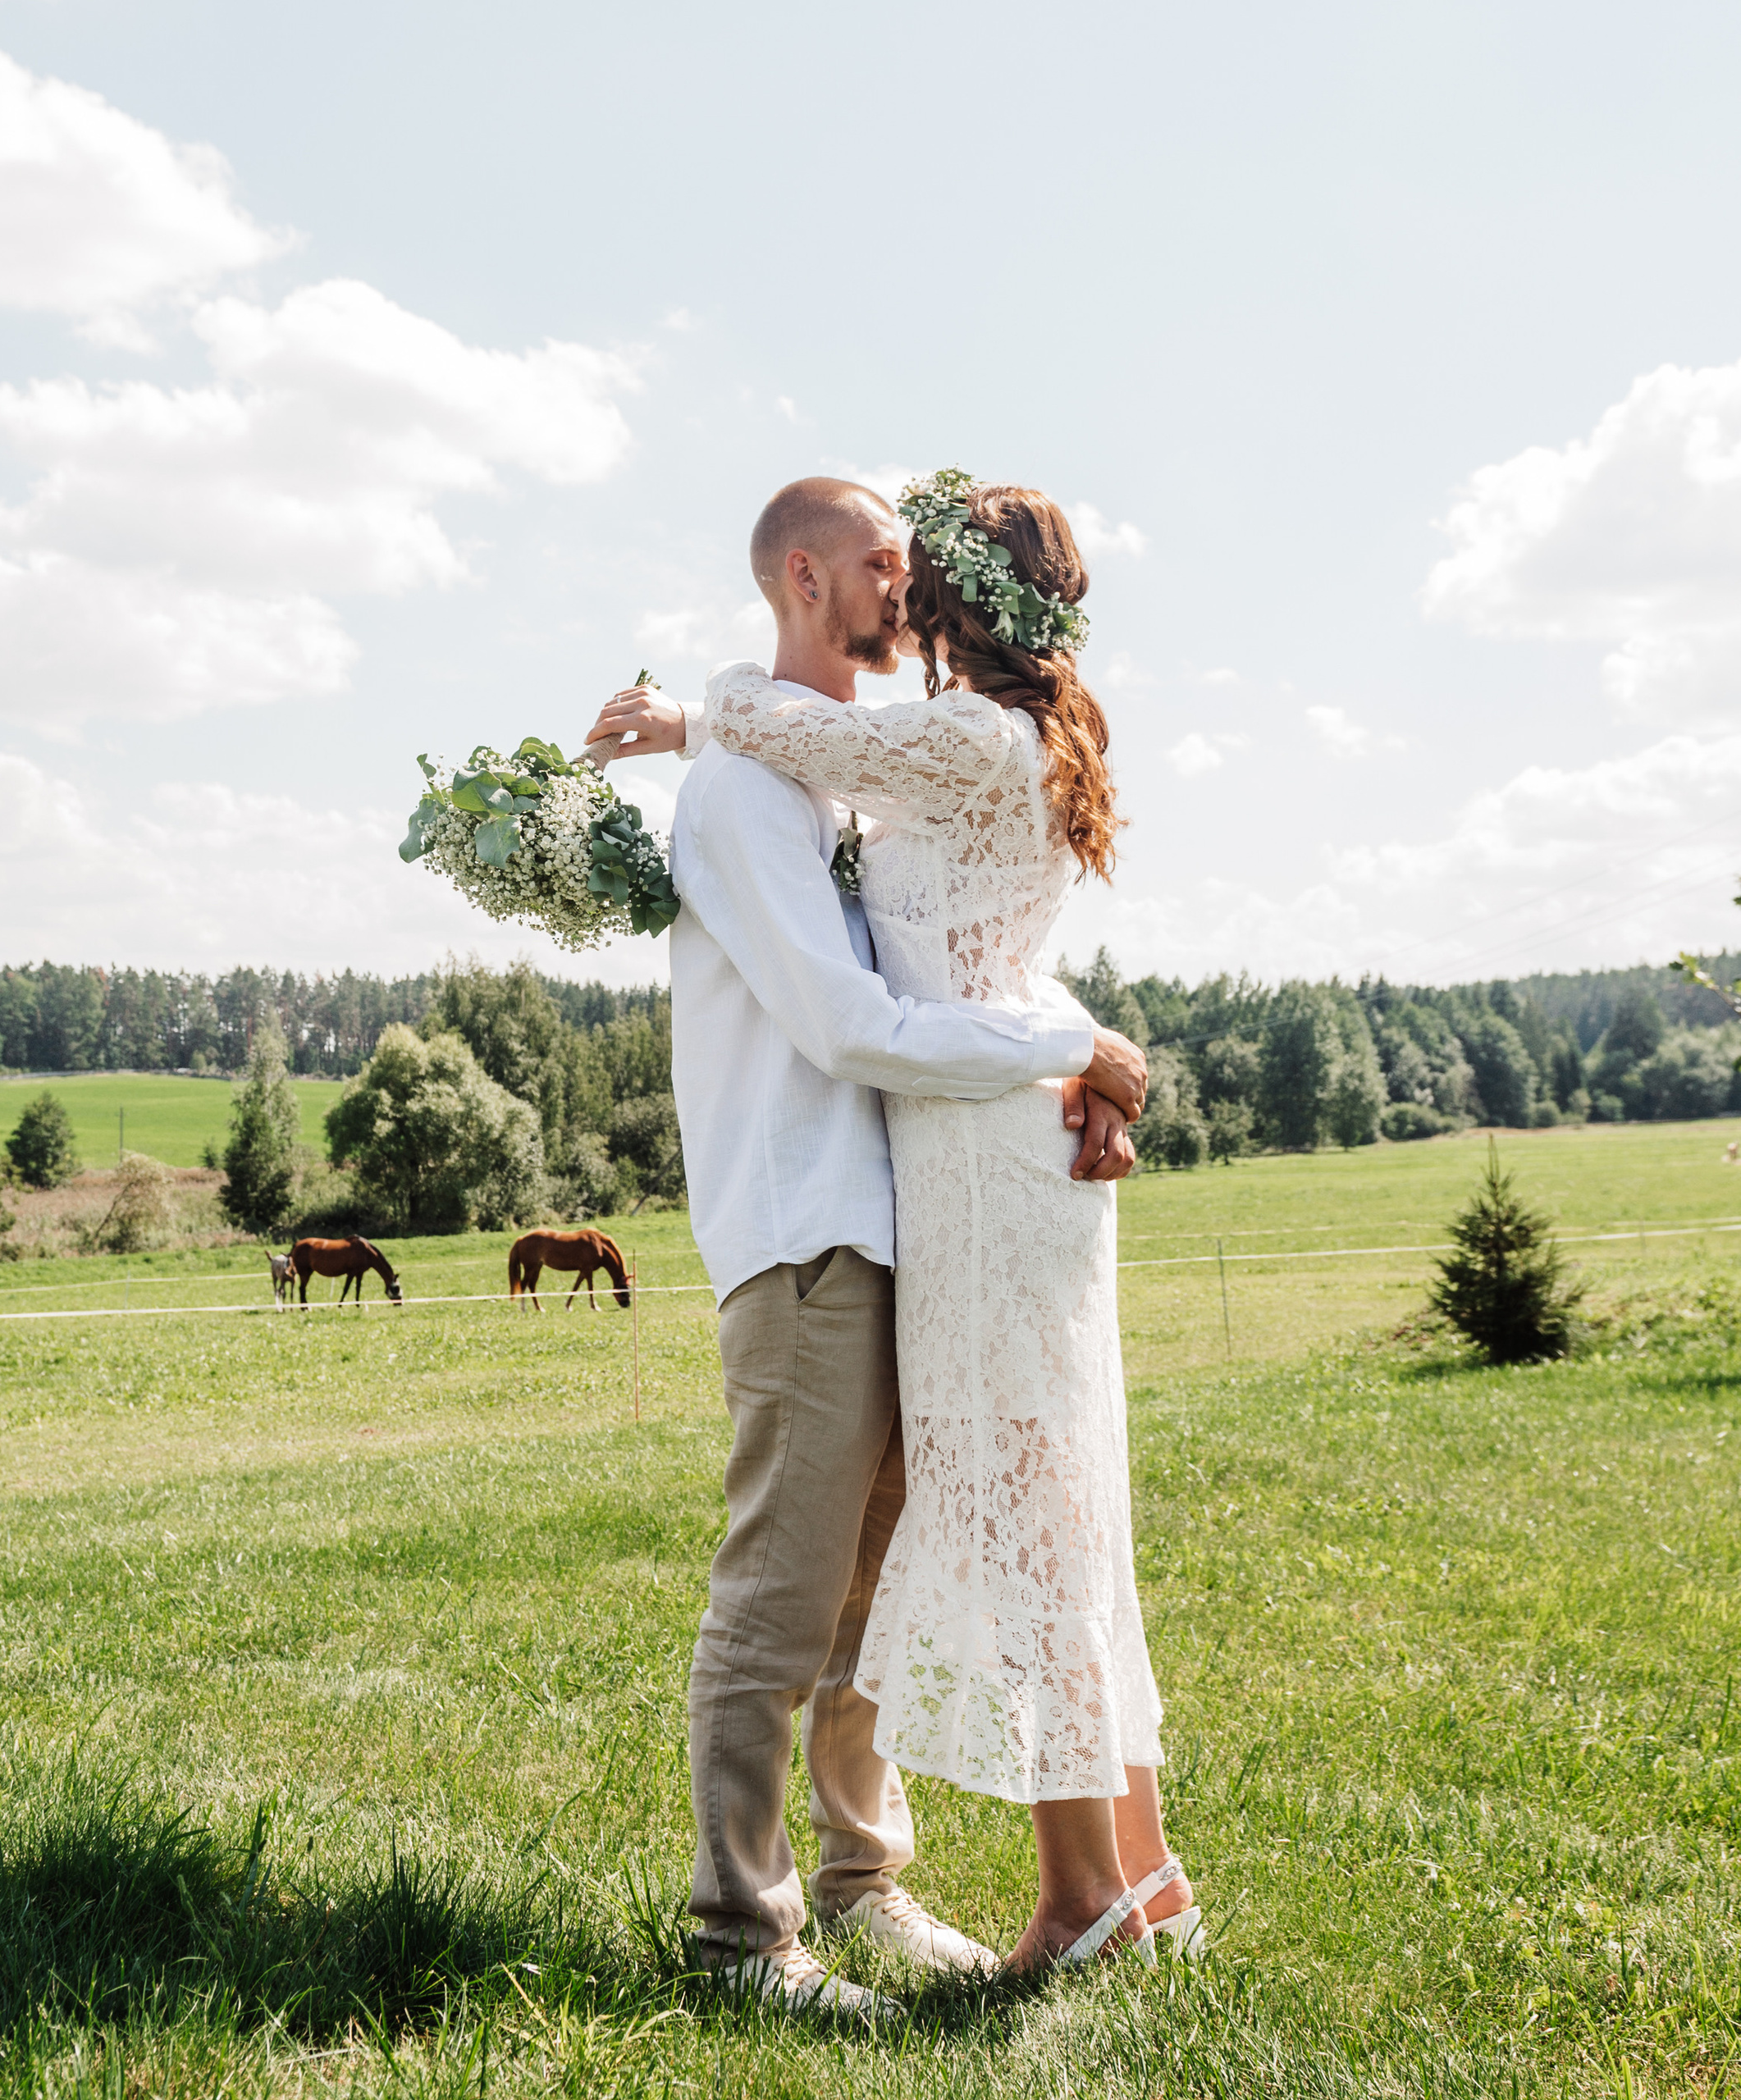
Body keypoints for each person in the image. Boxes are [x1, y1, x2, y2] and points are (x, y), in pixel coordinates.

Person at [582, 477, 1155, 2020]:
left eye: (921, 561)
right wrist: (1072, 1054)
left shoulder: (837, 773)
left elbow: (967, 931)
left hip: (908, 1212)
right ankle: (741, 1933)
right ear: (805, 577)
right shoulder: (749, 791)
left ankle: (862, 1881)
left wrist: (1076, 1046)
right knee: (784, 1587)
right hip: (803, 1218)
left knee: (868, 1595)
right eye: (884, 563)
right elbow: (850, 1022)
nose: (909, 587)